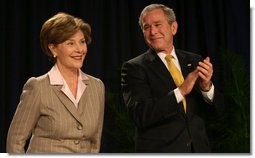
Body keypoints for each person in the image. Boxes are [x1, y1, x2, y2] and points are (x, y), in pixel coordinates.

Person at [121, 4, 224, 153]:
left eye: (157, 24)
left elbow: (216, 114)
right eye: (146, 27)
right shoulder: (134, 68)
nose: (153, 32)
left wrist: (206, 88)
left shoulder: (195, 61)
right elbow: (140, 115)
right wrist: (180, 91)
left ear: (173, 27)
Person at [7, 12, 105, 153]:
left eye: (82, 41)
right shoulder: (37, 87)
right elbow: (15, 141)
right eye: (70, 43)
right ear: (53, 48)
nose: (79, 49)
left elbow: (95, 143)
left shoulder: (97, 87)